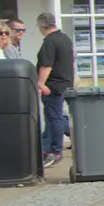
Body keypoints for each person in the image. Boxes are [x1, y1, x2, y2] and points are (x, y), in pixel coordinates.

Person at [35, 12, 75, 168]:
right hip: (65, 83)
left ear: (42, 25)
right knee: (57, 116)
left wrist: (40, 85)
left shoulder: (49, 42)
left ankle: (55, 150)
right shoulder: (65, 39)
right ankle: (78, 136)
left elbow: (46, 65)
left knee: (54, 118)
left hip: (52, 86)